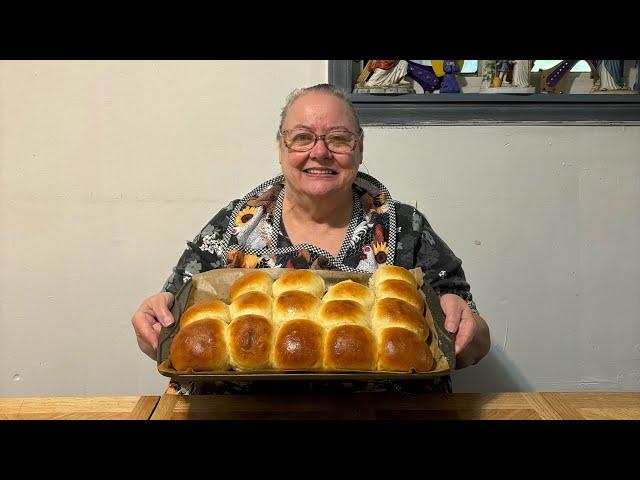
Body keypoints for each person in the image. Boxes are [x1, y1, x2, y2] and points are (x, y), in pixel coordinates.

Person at [131, 83, 491, 395]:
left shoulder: (406, 227)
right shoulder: (234, 226)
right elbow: (169, 336)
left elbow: (474, 343)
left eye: (338, 138)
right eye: (302, 137)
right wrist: (152, 325)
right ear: (281, 148)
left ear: (360, 149)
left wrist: (467, 332)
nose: (319, 152)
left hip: (384, 411)